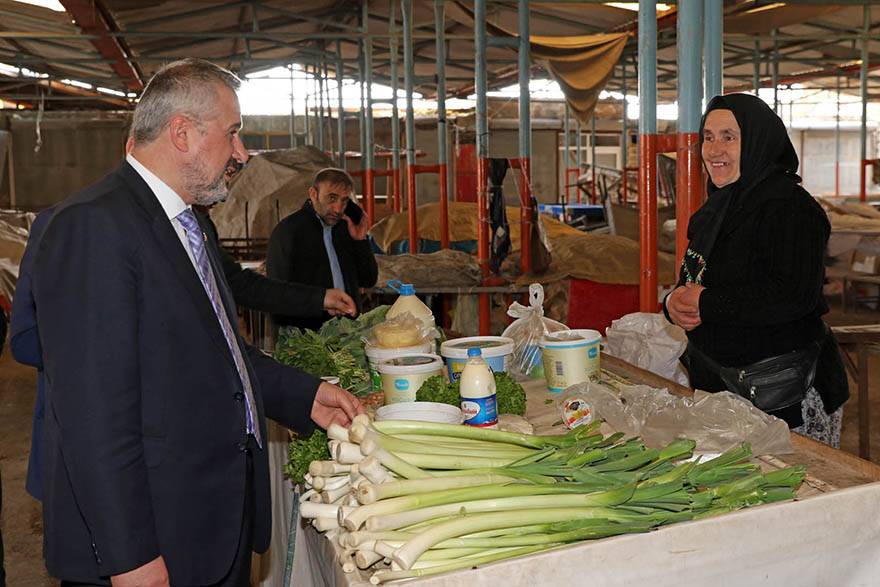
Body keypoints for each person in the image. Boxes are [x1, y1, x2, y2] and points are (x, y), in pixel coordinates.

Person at [31, 58, 364, 586]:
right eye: (232, 134)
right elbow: (92, 415)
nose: (242, 152)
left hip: (208, 525)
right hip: (156, 541)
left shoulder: (189, 224)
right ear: (182, 133)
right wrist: (130, 558)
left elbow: (221, 354)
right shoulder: (94, 226)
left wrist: (302, 395)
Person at [664, 93, 849, 447]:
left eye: (729, 137)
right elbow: (696, 279)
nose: (714, 149)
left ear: (758, 140)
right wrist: (672, 302)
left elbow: (793, 295)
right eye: (708, 136)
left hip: (783, 395)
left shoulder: (790, 209)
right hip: (724, 386)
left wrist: (707, 304)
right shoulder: (716, 211)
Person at [266, 167, 379, 331]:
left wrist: (360, 240)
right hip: (308, 336)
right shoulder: (289, 232)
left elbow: (368, 279)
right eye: (332, 198)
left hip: (347, 330)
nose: (338, 209)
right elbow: (279, 293)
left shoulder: (344, 229)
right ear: (313, 194)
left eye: (344, 201)